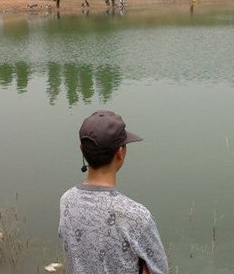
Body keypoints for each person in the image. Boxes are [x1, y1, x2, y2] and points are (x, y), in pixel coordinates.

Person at [59, 110, 168, 274]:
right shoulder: (136, 216)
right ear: (120, 152)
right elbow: (160, 270)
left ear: (82, 149)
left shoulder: (67, 200)